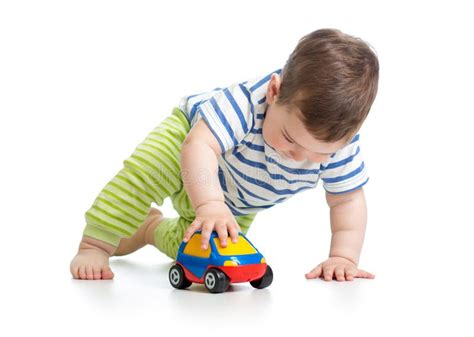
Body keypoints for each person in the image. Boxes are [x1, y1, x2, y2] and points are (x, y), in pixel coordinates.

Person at [70, 28, 379, 282]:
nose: (297, 157)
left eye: (318, 156)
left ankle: (151, 229)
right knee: (144, 175)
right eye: (288, 139)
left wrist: (343, 256)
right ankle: (96, 242)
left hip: (237, 197)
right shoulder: (244, 102)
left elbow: (347, 200)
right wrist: (210, 204)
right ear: (274, 92)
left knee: (207, 250)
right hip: (190, 143)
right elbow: (200, 146)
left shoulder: (341, 146)